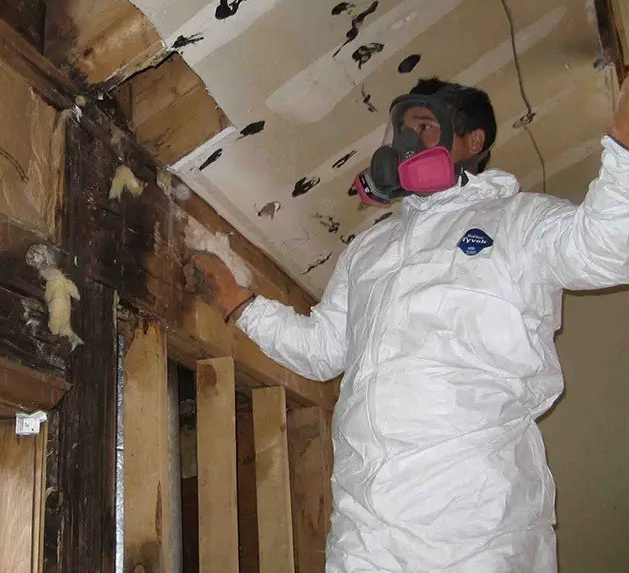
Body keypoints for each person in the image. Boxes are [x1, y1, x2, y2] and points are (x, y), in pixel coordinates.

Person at [189, 77, 629, 572]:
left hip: (477, 524)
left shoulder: (518, 220)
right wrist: (241, 304)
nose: (404, 142)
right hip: (365, 527)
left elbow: (606, 249)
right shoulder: (369, 249)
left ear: (472, 141)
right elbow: (321, 350)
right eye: (399, 129)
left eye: (423, 126)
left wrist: (623, 146)